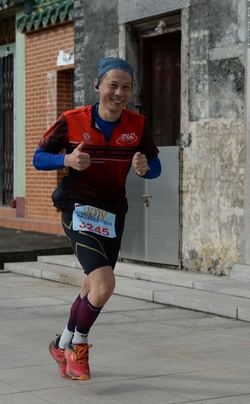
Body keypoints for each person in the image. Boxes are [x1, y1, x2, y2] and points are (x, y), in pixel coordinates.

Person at [33, 57, 161, 380]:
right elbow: (38, 158)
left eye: (126, 87)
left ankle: (60, 344)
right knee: (104, 285)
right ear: (97, 86)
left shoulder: (138, 124)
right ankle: (78, 346)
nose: (119, 93)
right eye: (112, 85)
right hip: (78, 208)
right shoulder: (72, 120)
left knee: (91, 286)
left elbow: (155, 166)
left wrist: (146, 168)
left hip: (113, 214)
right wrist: (66, 159)